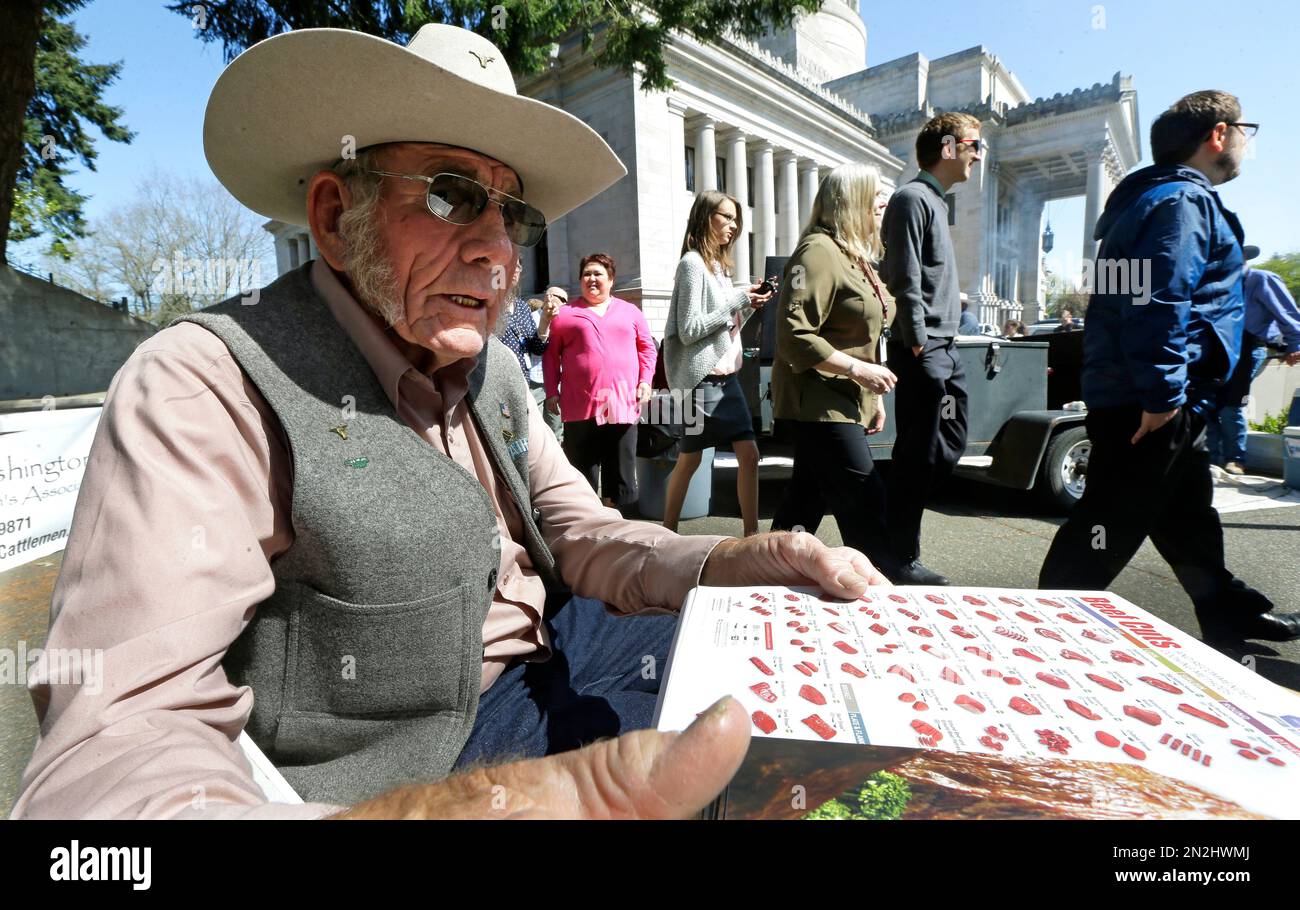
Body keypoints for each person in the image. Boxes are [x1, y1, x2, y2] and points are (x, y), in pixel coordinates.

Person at [12, 24, 889, 821]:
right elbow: (112, 742)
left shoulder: (494, 371)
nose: (500, 249)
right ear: (332, 215)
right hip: (416, 771)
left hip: (574, 651)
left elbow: (578, 530)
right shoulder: (206, 382)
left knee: (826, 720)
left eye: (512, 213)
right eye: (451, 195)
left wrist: (726, 560)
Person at [1038, 90, 1298, 645]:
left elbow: (1113, 297)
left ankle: (1226, 609)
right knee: (1107, 522)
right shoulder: (1183, 203)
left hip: (1145, 392)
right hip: (1154, 400)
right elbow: (1159, 301)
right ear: (1218, 135)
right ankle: (1039, 634)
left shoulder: (1140, 202)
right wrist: (1161, 396)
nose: (1248, 146)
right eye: (1244, 130)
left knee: (1186, 517)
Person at [769, 164, 898, 568]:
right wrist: (859, 372)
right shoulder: (819, 252)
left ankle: (762, 575)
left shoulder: (854, 255)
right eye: (875, 193)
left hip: (844, 400)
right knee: (866, 503)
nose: (883, 201)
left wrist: (872, 397)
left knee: (805, 503)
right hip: (818, 404)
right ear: (851, 201)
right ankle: (884, 592)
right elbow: (794, 335)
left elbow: (869, 332)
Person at [879, 112, 979, 585]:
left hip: (942, 342)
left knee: (942, 443)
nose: (977, 156)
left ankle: (889, 531)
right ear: (948, 148)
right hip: (925, 345)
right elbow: (903, 274)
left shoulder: (936, 202)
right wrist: (918, 338)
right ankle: (899, 557)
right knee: (919, 453)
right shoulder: (912, 199)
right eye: (972, 146)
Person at [661, 191, 772, 536]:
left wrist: (750, 303)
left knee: (750, 456)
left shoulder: (719, 268)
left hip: (728, 382)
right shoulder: (692, 264)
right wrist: (739, 298)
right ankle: (667, 531)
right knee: (689, 459)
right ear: (706, 217)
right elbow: (692, 329)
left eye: (735, 219)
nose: (733, 225)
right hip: (701, 383)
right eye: (726, 217)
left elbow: (724, 325)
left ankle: (751, 536)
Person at [543, 253, 655, 512]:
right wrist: (551, 391)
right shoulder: (566, 314)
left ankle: (619, 528)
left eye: (598, 274)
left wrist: (645, 382)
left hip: (621, 403)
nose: (591, 279)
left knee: (621, 475)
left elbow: (647, 350)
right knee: (583, 475)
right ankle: (588, 527)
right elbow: (550, 356)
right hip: (579, 405)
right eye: (586, 274)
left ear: (611, 280)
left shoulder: (630, 311)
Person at [1206, 247, 1300, 473]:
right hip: (1220, 349)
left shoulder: (1260, 279)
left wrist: (1295, 345)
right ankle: (1211, 460)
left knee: (1231, 404)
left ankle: (1236, 459)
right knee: (1208, 404)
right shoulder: (1215, 286)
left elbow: (1288, 314)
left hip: (1250, 347)